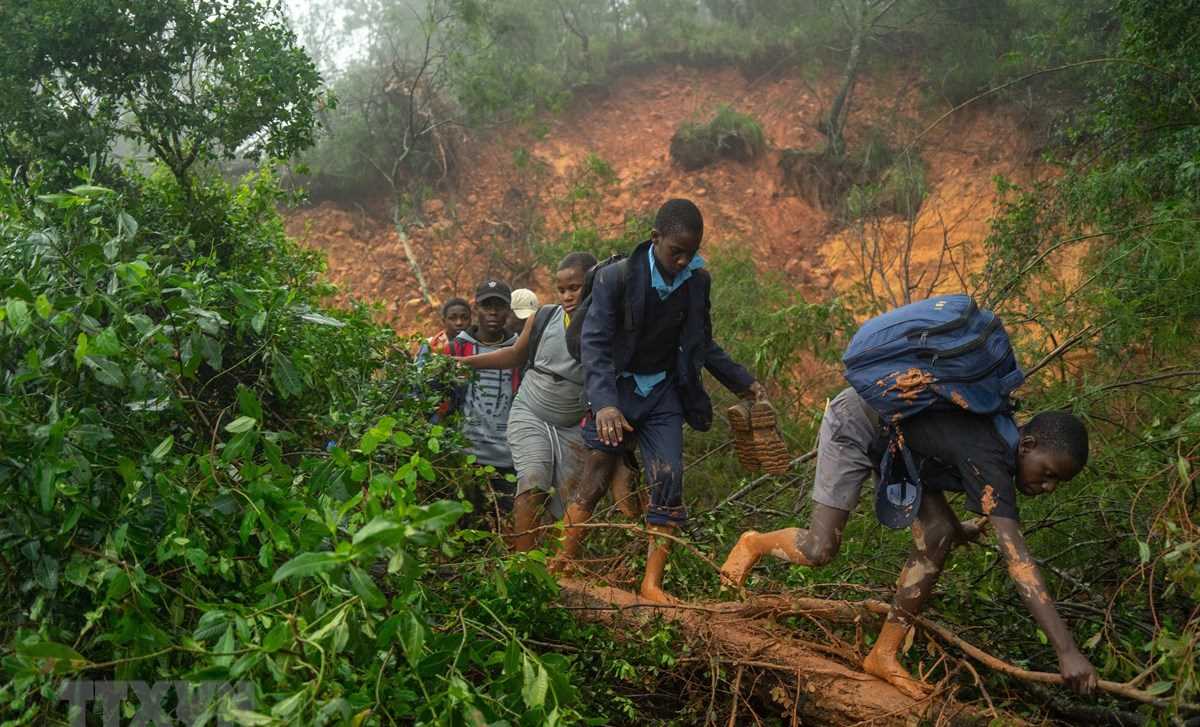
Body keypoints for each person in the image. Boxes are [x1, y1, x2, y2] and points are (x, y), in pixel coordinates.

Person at [719, 387, 1099, 697]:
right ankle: (753, 543)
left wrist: (954, 526)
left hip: (902, 446)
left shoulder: (1000, 444)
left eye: (1057, 483)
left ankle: (882, 655)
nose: (1047, 487)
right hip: (860, 422)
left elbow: (941, 449)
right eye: (1048, 473)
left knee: (940, 534)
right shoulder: (993, 453)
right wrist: (1067, 651)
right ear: (1027, 444)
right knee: (819, 548)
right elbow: (1019, 563)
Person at [553, 198, 767, 604]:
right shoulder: (616, 278)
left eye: (691, 252)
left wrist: (744, 382)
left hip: (664, 393)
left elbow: (703, 344)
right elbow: (595, 343)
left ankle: (651, 585)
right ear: (655, 239)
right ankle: (560, 563)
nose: (683, 260)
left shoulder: (696, 281)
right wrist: (605, 405)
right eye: (676, 251)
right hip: (618, 391)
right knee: (596, 476)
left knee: (669, 478)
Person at [456, 254, 642, 551]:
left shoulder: (609, 326)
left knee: (565, 502)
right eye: (562, 289)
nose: (568, 296)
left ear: (594, 284)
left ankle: (553, 569)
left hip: (572, 427)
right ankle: (522, 565)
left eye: (575, 287)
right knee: (533, 481)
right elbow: (516, 355)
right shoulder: (544, 317)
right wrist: (464, 362)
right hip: (531, 411)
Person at [444, 280, 521, 519]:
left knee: (506, 521)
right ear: (476, 308)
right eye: (487, 305)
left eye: (500, 306)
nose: (493, 312)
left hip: (508, 457)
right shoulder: (457, 348)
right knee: (467, 522)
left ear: (509, 310)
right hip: (466, 454)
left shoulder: (520, 348)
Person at [418, 298, 471, 365]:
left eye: (464, 318)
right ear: (444, 321)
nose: (459, 323)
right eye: (452, 318)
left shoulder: (478, 344)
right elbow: (420, 372)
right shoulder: (429, 345)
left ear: (470, 320)